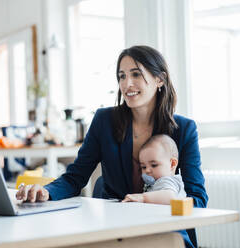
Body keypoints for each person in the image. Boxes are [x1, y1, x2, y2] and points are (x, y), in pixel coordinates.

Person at [16, 45, 208, 248]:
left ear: (159, 79)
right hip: (116, 228)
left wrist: (155, 202)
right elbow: (75, 177)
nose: (127, 84)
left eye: (136, 74)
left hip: (163, 228)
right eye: (122, 76)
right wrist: (46, 192)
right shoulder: (104, 121)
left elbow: (198, 199)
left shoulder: (184, 129)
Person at [122, 134, 186, 204]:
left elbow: (170, 197)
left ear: (172, 164)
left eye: (154, 165)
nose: (147, 170)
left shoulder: (166, 181)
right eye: (143, 167)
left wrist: (142, 198)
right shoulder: (156, 183)